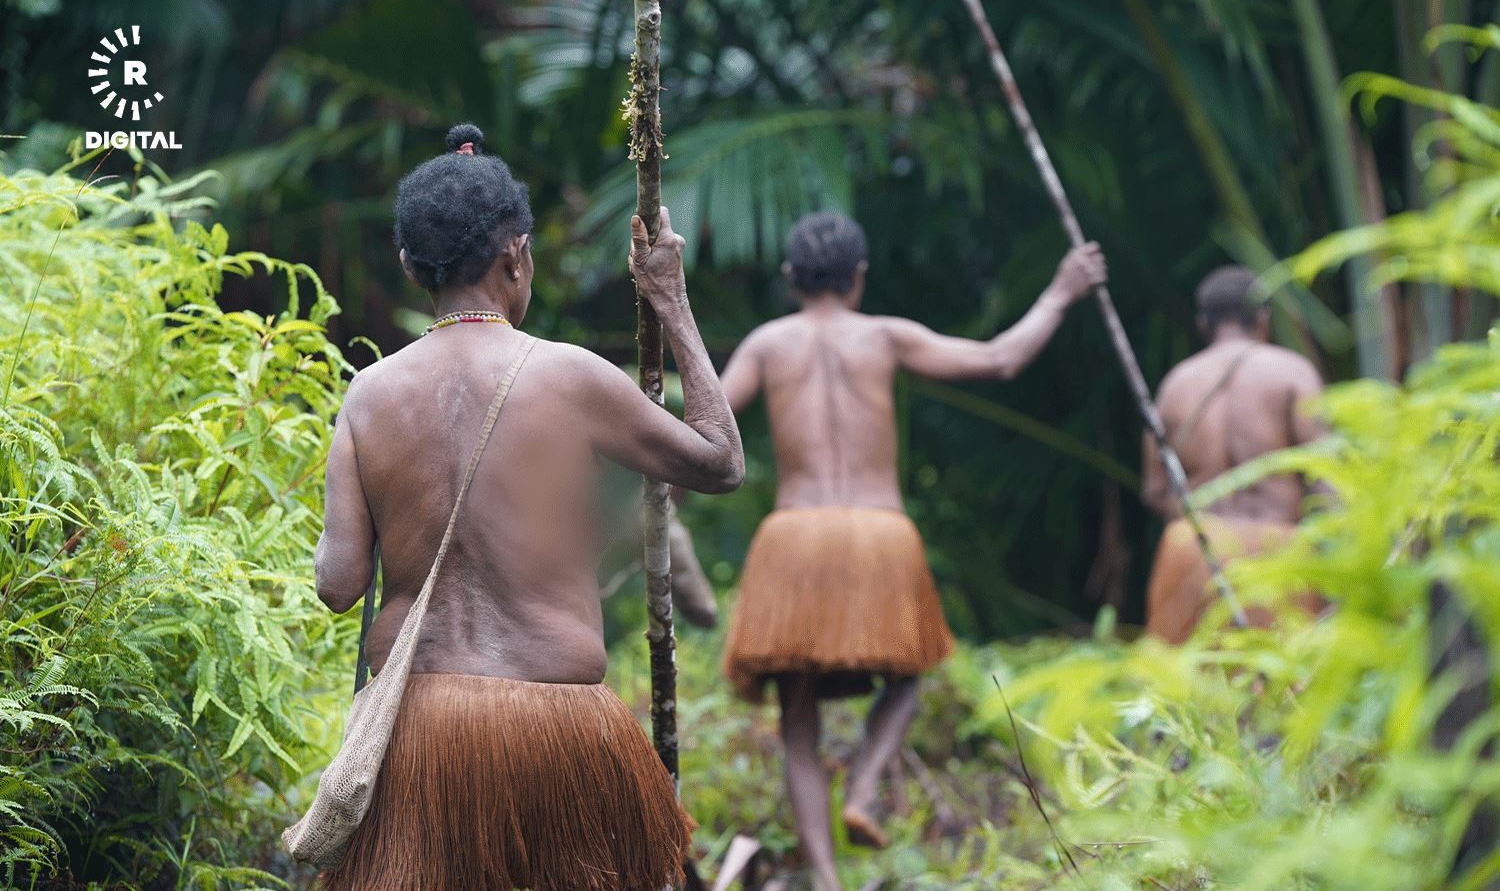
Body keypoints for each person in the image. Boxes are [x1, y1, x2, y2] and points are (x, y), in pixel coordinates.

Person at [313, 124, 743, 891]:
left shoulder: (368, 396)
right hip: (562, 732)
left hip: (423, 740)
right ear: (516, 254)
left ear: (412, 264)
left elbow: (339, 583)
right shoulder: (569, 375)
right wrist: (670, 302)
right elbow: (721, 461)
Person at [716, 210, 1106, 891]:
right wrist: (1061, 291)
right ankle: (864, 783)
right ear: (859, 277)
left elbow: (711, 424)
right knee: (909, 673)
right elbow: (1000, 357)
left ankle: (828, 882)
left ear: (790, 278)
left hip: (795, 537)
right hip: (878, 531)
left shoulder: (767, 344)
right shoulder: (885, 335)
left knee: (797, 715)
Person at [1140, 265, 1324, 643]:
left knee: (1181, 693)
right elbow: (1328, 480)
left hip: (1193, 547)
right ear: (1262, 316)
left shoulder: (1175, 385)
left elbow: (1156, 490)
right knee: (1290, 690)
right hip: (1279, 549)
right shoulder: (1293, 373)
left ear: (1204, 323)